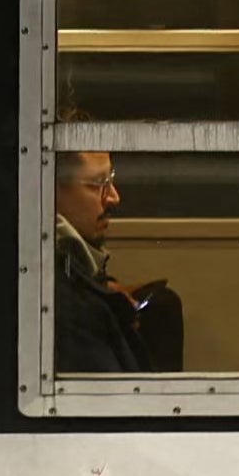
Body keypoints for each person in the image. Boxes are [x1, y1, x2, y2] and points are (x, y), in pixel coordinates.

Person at [51, 149, 157, 375]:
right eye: (99, 183)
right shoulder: (76, 309)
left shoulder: (71, 272)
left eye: (111, 180)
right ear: (50, 190)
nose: (114, 197)